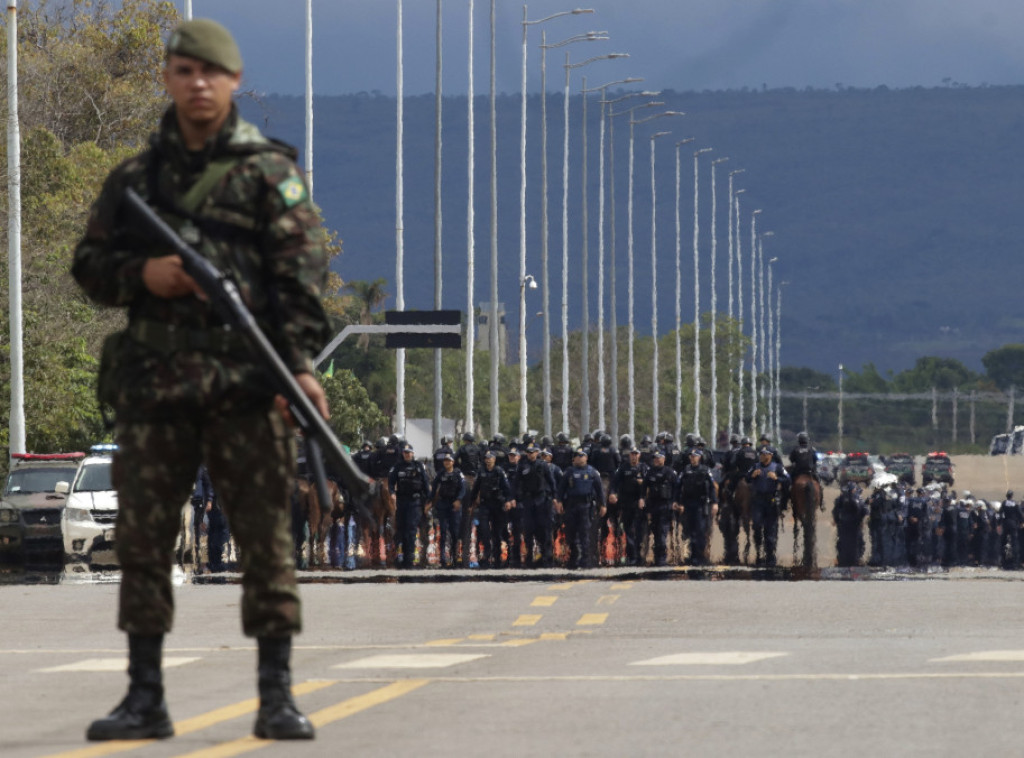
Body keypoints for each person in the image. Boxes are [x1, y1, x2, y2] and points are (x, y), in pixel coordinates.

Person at [73, 19, 325, 742]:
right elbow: (89, 266)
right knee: (145, 539)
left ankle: (275, 693)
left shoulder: (267, 173)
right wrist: (141, 274)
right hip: (155, 388)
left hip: (246, 384)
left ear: (235, 81)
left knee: (265, 537)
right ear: (168, 78)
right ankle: (144, 695)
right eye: (184, 71)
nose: (198, 84)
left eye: (211, 73)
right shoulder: (135, 179)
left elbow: (300, 281)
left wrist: (299, 366)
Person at [555, 448, 605, 569]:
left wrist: (602, 505)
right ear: (573, 458)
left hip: (586, 506)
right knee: (570, 534)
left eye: (582, 455)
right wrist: (559, 502)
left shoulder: (592, 472)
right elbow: (561, 489)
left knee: (585, 534)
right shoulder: (569, 472)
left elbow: (600, 490)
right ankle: (573, 559)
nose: (580, 457)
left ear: (586, 457)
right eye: (577, 455)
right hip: (571, 506)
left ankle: (586, 561)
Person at [388, 444, 431, 569]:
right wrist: (392, 493)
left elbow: (425, 483)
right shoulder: (397, 466)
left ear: (412, 453)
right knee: (401, 529)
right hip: (402, 501)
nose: (407, 454)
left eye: (409, 452)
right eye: (405, 452)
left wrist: (428, 502)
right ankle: (400, 557)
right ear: (403, 454)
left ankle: (409, 559)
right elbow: (391, 482)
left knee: (411, 530)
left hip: (415, 502)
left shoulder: (418, 466)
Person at [516, 444, 557, 568]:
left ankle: (546, 556)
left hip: (541, 500)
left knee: (543, 528)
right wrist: (514, 498)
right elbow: (516, 483)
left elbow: (551, 481)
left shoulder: (543, 465)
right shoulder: (522, 466)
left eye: (533, 452)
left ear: (537, 453)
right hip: (528, 500)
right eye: (528, 452)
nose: (530, 454)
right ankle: (529, 557)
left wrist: (555, 497)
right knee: (528, 529)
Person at [747, 446, 789, 567]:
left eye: (765, 454)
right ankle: (759, 555)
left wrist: (777, 478)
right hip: (758, 501)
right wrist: (752, 475)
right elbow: (746, 477)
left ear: (770, 455)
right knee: (756, 526)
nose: (762, 456)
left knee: (770, 530)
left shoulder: (777, 467)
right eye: (761, 453)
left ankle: (770, 557)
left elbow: (788, 480)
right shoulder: (755, 466)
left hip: (771, 502)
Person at [470, 451, 512, 568]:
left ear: (494, 459)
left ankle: (498, 558)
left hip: (497, 506)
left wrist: (508, 500)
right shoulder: (481, 471)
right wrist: (471, 503)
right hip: (485, 505)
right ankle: (486, 557)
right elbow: (475, 488)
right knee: (484, 531)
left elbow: (506, 488)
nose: (488, 460)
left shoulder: (499, 471)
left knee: (497, 533)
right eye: (486, 458)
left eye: (490, 458)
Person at [677, 449, 717, 566]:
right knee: (690, 531)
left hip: (701, 504)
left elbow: (712, 487)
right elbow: (678, 486)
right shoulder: (686, 470)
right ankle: (693, 557)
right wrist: (676, 501)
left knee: (700, 531)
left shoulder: (705, 470)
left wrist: (714, 502)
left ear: (699, 457)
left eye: (695, 456)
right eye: (691, 456)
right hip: (688, 504)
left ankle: (700, 557)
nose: (693, 458)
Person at [609, 447, 647, 566]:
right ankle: (632, 557)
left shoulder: (643, 468)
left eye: (636, 454)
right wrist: (612, 493)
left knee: (640, 531)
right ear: (629, 455)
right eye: (632, 454)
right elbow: (614, 482)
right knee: (628, 530)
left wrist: (643, 497)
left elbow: (649, 484)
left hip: (639, 502)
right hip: (626, 502)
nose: (634, 456)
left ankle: (640, 556)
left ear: (639, 455)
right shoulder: (623, 468)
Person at [640, 450, 678, 567]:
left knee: (662, 533)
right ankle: (657, 558)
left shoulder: (670, 472)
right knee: (656, 533)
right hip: (653, 506)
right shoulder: (650, 473)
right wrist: (641, 498)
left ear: (664, 459)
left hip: (665, 506)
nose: (656, 460)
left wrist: (675, 502)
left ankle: (662, 559)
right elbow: (643, 488)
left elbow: (676, 489)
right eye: (655, 458)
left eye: (659, 457)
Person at [428, 453, 465, 568]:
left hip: (454, 505)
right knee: (442, 532)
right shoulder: (440, 474)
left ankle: (455, 556)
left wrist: (459, 500)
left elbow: (463, 489)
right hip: (443, 504)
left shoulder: (459, 474)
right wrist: (429, 502)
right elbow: (434, 489)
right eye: (445, 461)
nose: (446, 462)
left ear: (453, 462)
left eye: (449, 460)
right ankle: (442, 558)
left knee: (454, 532)